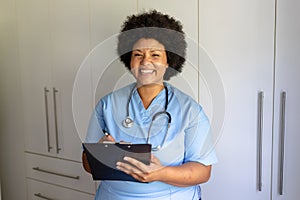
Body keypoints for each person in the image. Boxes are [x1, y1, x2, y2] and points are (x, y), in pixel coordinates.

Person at [82, 10, 217, 200]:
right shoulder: (107, 105)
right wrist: (100, 153)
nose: (145, 62)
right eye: (138, 54)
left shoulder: (190, 110)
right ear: (129, 60)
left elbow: (203, 171)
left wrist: (160, 173)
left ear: (168, 61)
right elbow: (87, 164)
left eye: (155, 55)